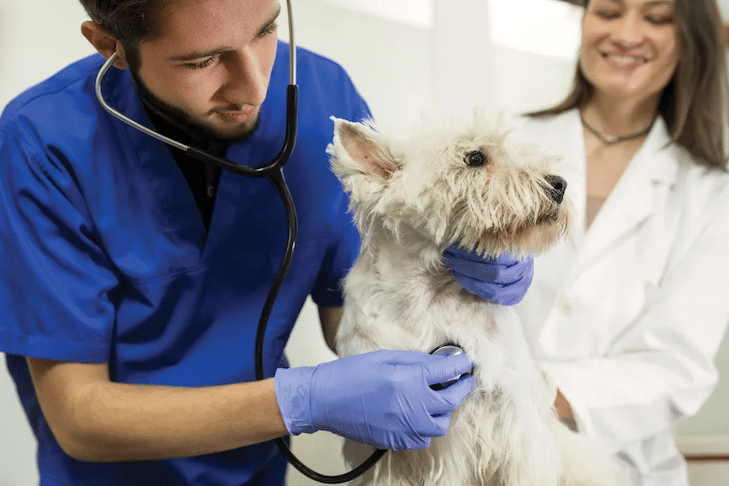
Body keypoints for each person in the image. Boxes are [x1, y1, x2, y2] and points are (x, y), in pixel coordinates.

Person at [0, 1, 534, 485]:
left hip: (257, 472)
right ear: (109, 46)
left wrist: (450, 269)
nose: (254, 85)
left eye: (266, 30)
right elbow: (79, 417)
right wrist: (303, 400)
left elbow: (358, 316)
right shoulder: (41, 142)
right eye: (202, 61)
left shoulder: (325, 95)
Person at [510, 0, 729, 484]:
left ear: (691, 38)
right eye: (608, 12)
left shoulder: (711, 193)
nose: (627, 35)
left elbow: (678, 366)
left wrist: (525, 389)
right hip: (484, 454)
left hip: (624, 469)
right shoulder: (509, 145)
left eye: (656, 18)